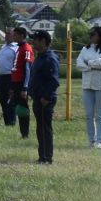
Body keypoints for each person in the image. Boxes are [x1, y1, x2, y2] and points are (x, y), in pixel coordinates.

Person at [27, 29, 60, 164]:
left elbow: (54, 81)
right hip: (38, 98)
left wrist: (45, 97)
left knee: (45, 129)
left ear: (43, 41)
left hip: (44, 100)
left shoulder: (49, 59)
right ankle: (42, 156)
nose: (33, 42)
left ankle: (47, 157)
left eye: (35, 39)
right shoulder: (40, 57)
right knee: (40, 128)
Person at [76, 24, 101, 148]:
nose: (90, 36)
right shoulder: (84, 49)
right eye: (90, 34)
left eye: (93, 34)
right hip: (87, 85)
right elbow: (79, 64)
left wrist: (88, 63)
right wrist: (91, 65)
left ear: (100, 36)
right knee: (89, 114)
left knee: (100, 113)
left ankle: (99, 141)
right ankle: (91, 140)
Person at [3, 26, 33, 138]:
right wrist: (11, 86)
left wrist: (25, 87)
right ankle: (22, 132)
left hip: (21, 83)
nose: (13, 36)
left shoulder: (26, 49)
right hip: (15, 82)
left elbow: (27, 69)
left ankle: (25, 133)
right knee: (18, 108)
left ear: (21, 36)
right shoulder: (19, 48)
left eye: (15, 35)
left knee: (23, 108)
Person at [0, 29, 23, 130]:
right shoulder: (3, 47)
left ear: (14, 35)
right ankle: (7, 122)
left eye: (9, 34)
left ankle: (12, 122)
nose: (6, 36)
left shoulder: (16, 48)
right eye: (6, 34)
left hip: (10, 77)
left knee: (11, 101)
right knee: (3, 101)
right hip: (0, 77)